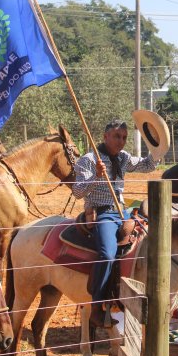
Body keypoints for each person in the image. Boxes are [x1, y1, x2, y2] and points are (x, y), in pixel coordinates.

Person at [72, 119, 157, 328]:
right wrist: (96, 176)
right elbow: (77, 191)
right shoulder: (89, 160)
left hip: (123, 211)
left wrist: (158, 147)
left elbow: (147, 165)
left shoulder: (123, 157)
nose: (121, 141)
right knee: (108, 254)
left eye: (125, 137)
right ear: (105, 136)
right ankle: (97, 305)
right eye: (117, 136)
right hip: (102, 214)